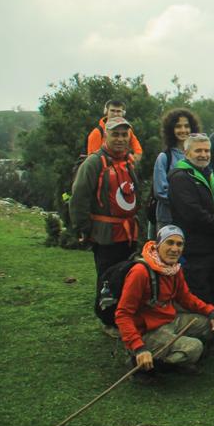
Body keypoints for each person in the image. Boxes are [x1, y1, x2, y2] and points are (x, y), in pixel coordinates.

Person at [115, 226, 214, 382]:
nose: (175, 249)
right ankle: (142, 364)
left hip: (168, 321)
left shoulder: (173, 268)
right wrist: (138, 346)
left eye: (179, 244)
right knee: (194, 348)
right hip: (147, 331)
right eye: (170, 243)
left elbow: (185, 297)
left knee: (210, 324)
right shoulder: (140, 272)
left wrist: (211, 312)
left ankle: (168, 356)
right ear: (158, 244)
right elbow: (123, 314)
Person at [70, 116, 141, 334]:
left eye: (124, 135)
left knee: (127, 276)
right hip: (105, 234)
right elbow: (78, 198)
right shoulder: (93, 162)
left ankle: (124, 317)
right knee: (107, 279)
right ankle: (108, 320)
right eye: (115, 134)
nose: (120, 139)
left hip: (127, 232)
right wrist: (83, 229)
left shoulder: (128, 162)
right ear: (106, 136)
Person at [167, 133, 214, 353]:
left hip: (212, 246)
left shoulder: (207, 173)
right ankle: (207, 339)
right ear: (187, 153)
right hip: (194, 247)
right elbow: (192, 213)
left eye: (206, 151)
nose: (204, 155)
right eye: (199, 151)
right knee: (201, 292)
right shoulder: (180, 176)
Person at [151, 108, 200, 235]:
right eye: (178, 126)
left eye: (186, 126)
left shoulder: (199, 157)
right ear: (171, 130)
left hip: (193, 220)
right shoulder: (164, 158)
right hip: (168, 219)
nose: (183, 130)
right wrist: (186, 203)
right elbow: (161, 191)